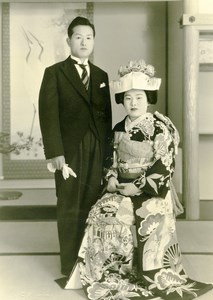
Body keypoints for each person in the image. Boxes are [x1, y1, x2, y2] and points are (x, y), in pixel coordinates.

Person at [65, 59, 213, 299]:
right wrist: (111, 177)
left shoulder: (160, 126)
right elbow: (110, 159)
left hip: (150, 189)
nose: (133, 103)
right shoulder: (118, 128)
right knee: (102, 213)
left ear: (148, 98)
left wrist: (139, 186)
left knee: (151, 219)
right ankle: (111, 272)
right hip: (121, 187)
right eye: (128, 98)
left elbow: (165, 163)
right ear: (122, 100)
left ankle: (154, 273)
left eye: (139, 97)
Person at [38, 16, 112, 277]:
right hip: (68, 151)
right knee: (69, 204)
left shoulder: (101, 75)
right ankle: (70, 266)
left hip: (97, 148)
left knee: (94, 203)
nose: (84, 42)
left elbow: (106, 119)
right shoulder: (55, 73)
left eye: (89, 37)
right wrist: (56, 153)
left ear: (93, 42)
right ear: (68, 40)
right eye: (78, 37)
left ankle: (90, 262)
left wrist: (108, 157)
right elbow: (48, 116)